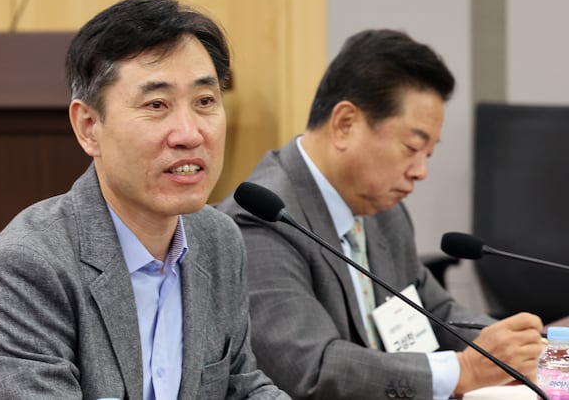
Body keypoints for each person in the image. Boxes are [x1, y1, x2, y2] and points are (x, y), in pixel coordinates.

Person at [0, 0, 289, 400]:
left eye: (204, 101)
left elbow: (240, 384)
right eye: (156, 104)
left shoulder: (219, 239)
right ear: (88, 126)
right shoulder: (26, 267)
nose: (189, 133)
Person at [217, 29, 545, 399]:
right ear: (345, 124)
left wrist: (520, 348)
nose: (421, 171)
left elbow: (436, 310)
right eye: (412, 147)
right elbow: (312, 370)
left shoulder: (381, 210)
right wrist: (462, 371)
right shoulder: (264, 220)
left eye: (428, 154)